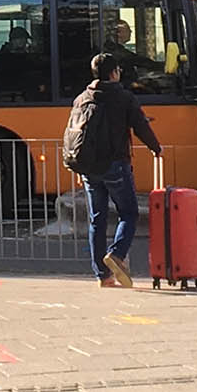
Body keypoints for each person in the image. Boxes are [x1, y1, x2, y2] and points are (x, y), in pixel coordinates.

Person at [68, 52, 162, 288]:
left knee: (97, 219)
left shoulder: (82, 99)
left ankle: (102, 275)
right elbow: (140, 126)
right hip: (115, 164)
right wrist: (155, 148)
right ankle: (117, 254)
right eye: (118, 70)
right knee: (128, 213)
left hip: (89, 167)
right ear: (113, 73)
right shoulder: (123, 97)